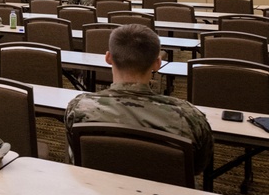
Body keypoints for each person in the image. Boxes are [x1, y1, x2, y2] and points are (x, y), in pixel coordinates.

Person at [65, 24, 213, 172]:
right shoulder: (189, 119)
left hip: (96, 191)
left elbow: (77, 159)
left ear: (108, 58)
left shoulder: (78, 109)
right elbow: (198, 167)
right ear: (157, 63)